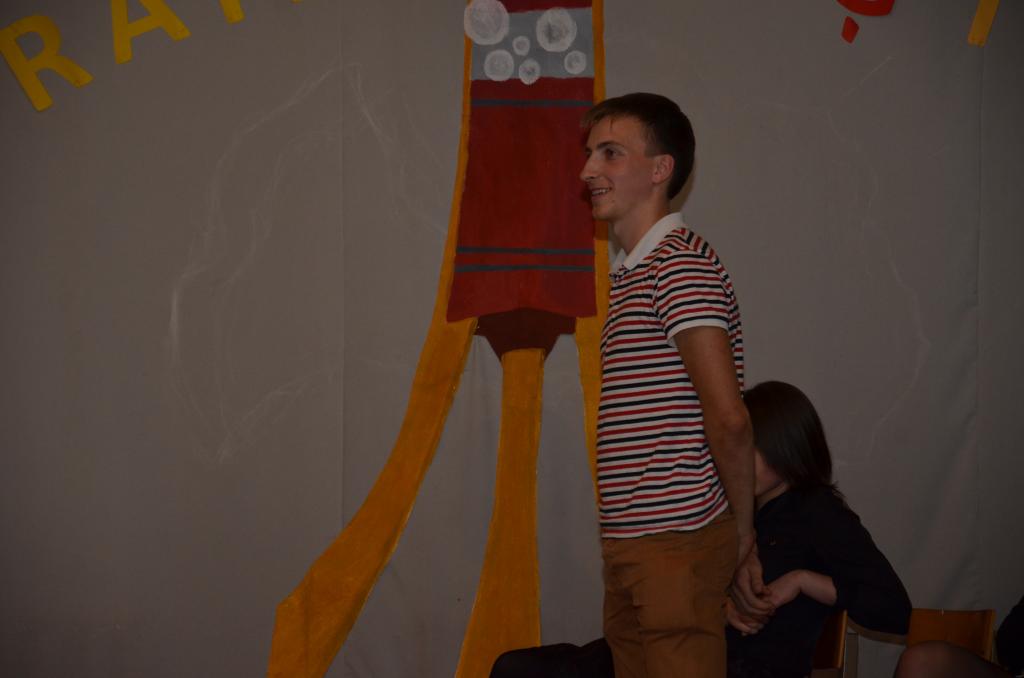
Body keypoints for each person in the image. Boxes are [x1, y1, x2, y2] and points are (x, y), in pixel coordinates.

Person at [491, 380, 912, 678]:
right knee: (517, 668)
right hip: (679, 650)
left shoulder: (816, 511)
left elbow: (892, 608)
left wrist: (801, 581)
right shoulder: (724, 507)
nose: (733, 459)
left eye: (749, 448)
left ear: (785, 447)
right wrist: (723, 606)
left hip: (743, 666)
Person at [580, 92, 756, 678]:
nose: (588, 170)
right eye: (589, 154)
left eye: (610, 153)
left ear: (661, 170)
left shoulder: (680, 266)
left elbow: (728, 417)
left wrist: (743, 531)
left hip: (675, 540)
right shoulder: (635, 272)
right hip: (633, 542)